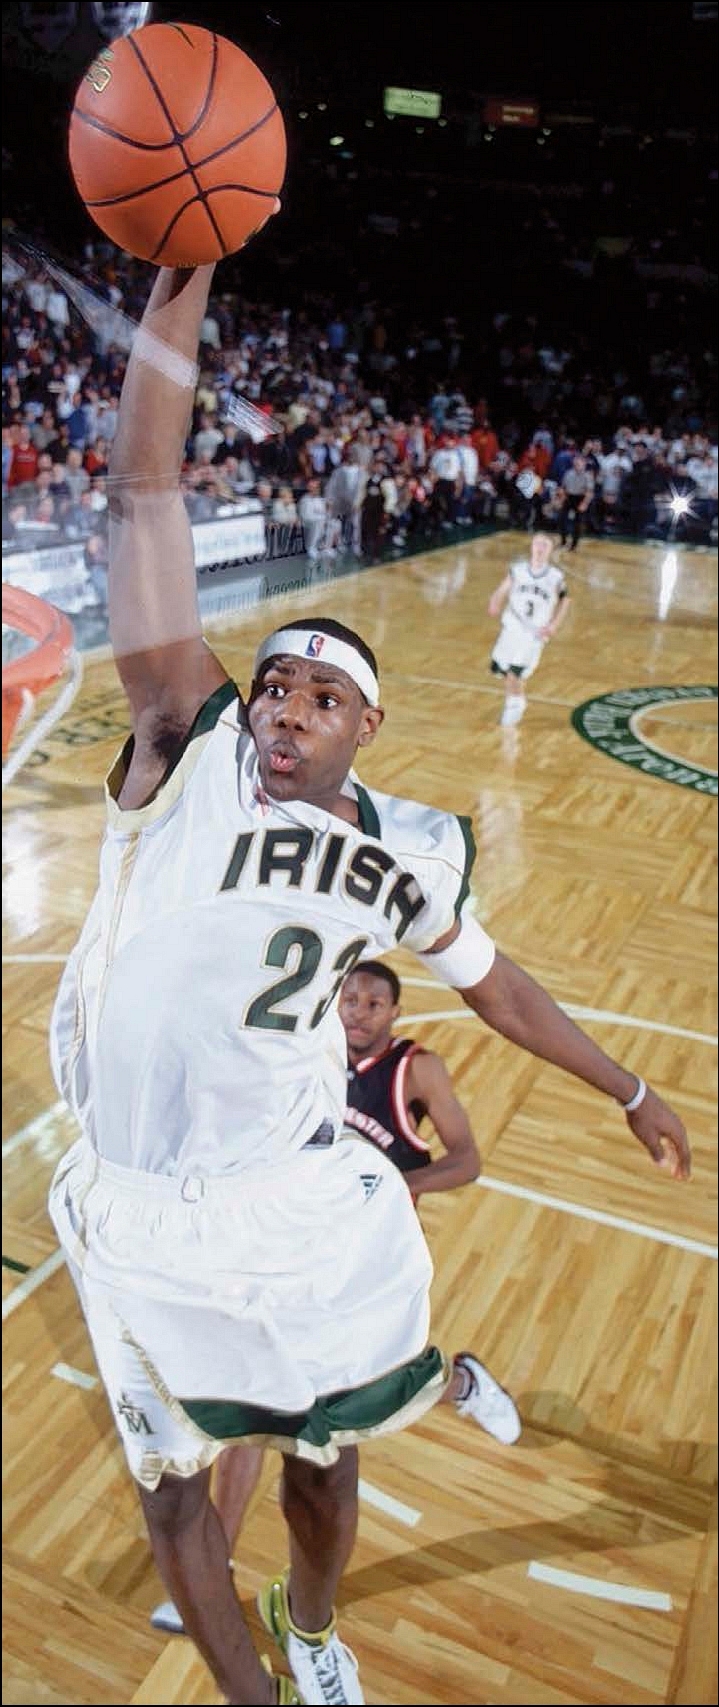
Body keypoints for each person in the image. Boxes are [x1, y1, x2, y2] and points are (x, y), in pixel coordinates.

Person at [48, 263, 690, 1707]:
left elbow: (503, 989)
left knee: (321, 1469)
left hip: (288, 1193)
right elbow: (142, 500)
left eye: (319, 695)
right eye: (272, 681)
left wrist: (631, 1084)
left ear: (365, 728)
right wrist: (180, 281)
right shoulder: (185, 747)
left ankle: (319, 1622)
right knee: (170, 1504)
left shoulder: (405, 853)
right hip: (138, 1200)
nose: (283, 704)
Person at [150, 959, 521, 1638]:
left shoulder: (418, 1069)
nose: (358, 1011)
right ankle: (214, 1571)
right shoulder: (304, 1050)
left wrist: (413, 1183)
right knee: (257, 1407)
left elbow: (467, 1158)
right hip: (292, 1254)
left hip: (368, 1266)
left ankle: (463, 1382)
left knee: (375, 1397)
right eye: (350, 998)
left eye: (374, 1002)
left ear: (393, 1014)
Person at [488, 531, 570, 727]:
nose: (540, 549)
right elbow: (502, 588)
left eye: (545, 546)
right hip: (511, 627)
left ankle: (514, 705)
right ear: (532, 546)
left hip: (534, 633)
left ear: (551, 551)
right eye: (537, 544)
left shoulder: (555, 576)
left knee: (516, 670)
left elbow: (565, 601)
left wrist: (554, 625)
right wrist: (495, 601)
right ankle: (517, 699)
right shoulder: (518, 570)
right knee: (502, 667)